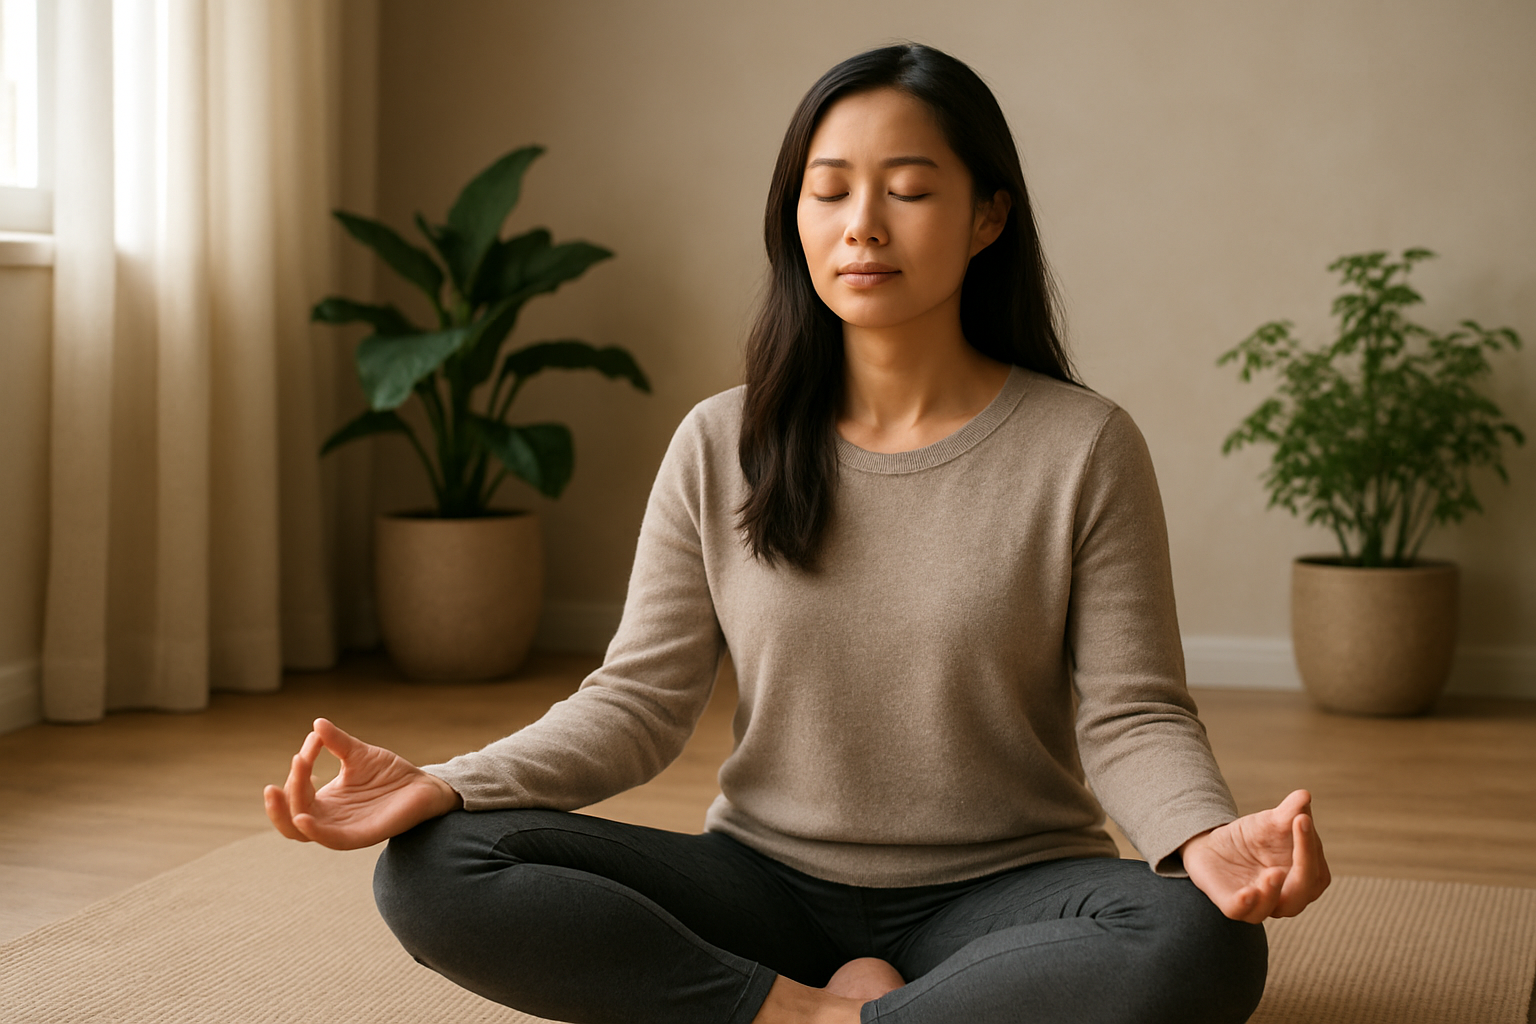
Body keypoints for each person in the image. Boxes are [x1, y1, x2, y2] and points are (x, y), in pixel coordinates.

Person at [265, 42, 1329, 1024]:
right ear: (797, 218)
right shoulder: (720, 438)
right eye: (829, 191)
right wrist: (447, 781)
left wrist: (1204, 841)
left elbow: (1133, 712)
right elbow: (636, 703)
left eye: (909, 191)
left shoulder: (1084, 444)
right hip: (762, 884)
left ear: (987, 217)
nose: (863, 223)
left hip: (1006, 884)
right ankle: (803, 1008)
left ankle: (865, 1002)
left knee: (1200, 941)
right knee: (431, 864)